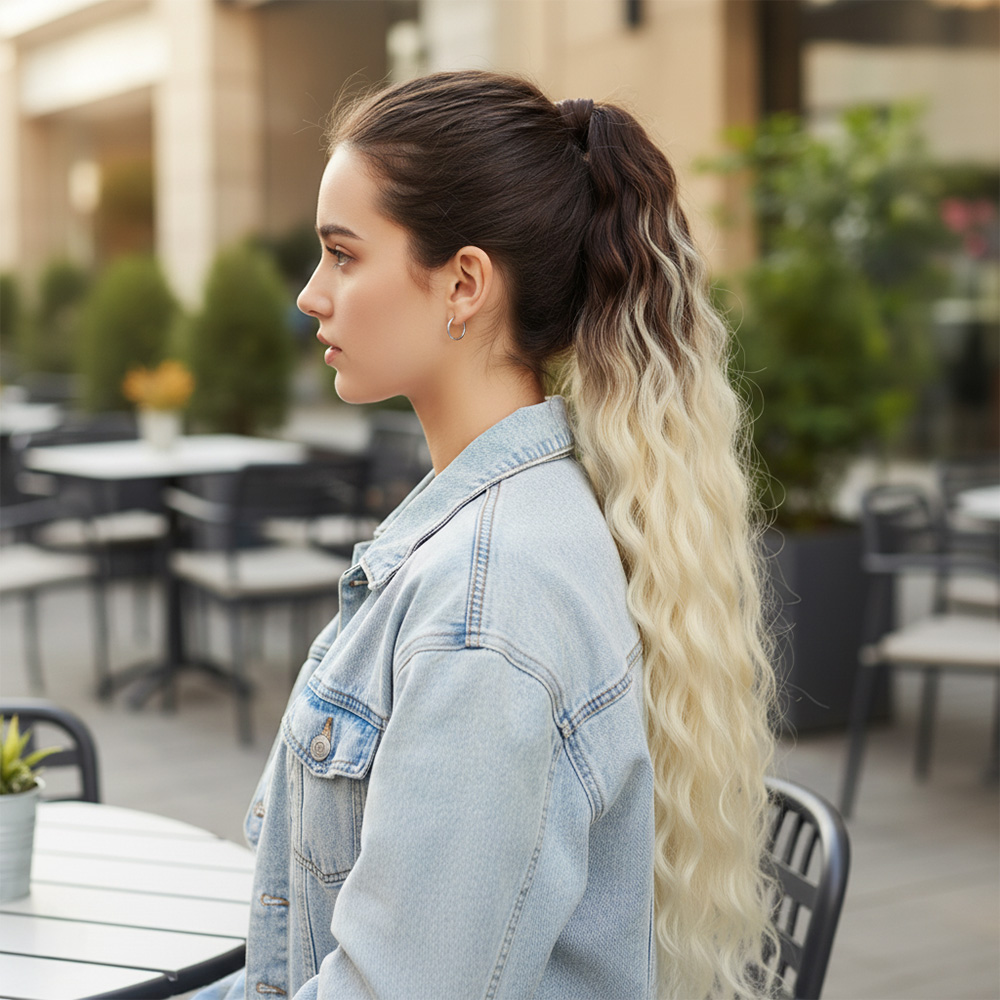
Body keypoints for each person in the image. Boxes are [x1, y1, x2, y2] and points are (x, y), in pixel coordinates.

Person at [195, 70, 777, 1000]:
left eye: (343, 255)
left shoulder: (489, 606)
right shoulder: (499, 532)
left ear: (463, 283)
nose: (311, 295)